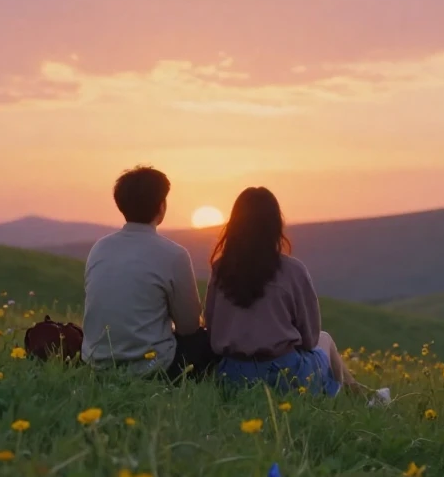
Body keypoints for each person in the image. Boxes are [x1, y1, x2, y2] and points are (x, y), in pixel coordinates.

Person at [205, 187, 388, 403]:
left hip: (233, 376)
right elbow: (310, 338)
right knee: (325, 340)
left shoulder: (220, 270)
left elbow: (210, 324)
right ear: (275, 225)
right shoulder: (293, 270)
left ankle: (361, 395)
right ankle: (351, 401)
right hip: (284, 374)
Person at [82, 166, 216, 379]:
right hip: (154, 366)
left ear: (121, 205)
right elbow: (189, 326)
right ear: (161, 206)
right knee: (205, 343)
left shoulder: (100, 248)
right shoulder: (174, 254)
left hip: (97, 363)